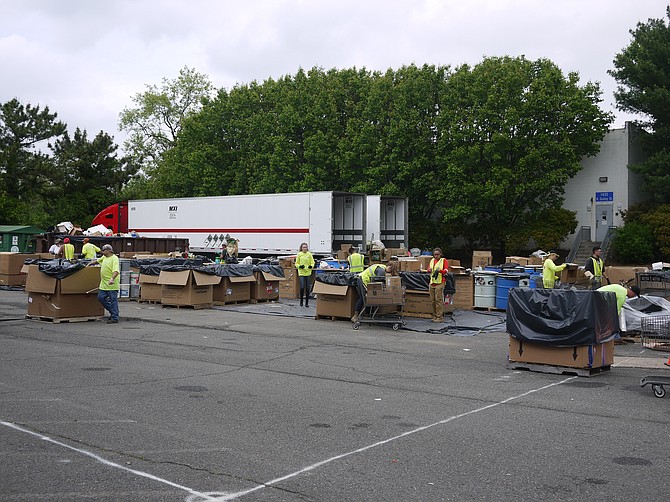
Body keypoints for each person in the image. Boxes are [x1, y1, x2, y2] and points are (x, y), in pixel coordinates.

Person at [88, 244, 120, 323]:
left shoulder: (114, 259)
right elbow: (98, 260)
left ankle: (115, 317)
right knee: (100, 297)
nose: (102, 252)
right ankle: (113, 312)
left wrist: (112, 278)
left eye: (103, 250)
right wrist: (90, 264)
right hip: (104, 284)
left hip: (111, 284)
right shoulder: (104, 257)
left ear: (109, 250)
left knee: (113, 300)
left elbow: (116, 270)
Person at [428, 247, 450, 323]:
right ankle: (434, 316)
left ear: (440, 254)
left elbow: (446, 270)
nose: (436, 256)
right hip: (432, 282)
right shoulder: (431, 261)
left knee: (438, 300)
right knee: (432, 300)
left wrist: (440, 271)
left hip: (440, 282)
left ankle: (439, 317)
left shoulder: (444, 261)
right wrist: (429, 270)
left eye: (437, 254)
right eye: (435, 254)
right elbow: (429, 269)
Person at [295, 242, 315, 307]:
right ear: (301, 248)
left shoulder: (309, 254)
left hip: (308, 272)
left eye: (306, 247)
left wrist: (311, 266)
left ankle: (306, 303)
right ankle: (301, 301)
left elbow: (312, 262)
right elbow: (296, 263)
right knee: (302, 287)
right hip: (301, 272)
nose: (305, 248)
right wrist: (299, 266)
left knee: (307, 288)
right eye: (303, 247)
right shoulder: (299, 254)